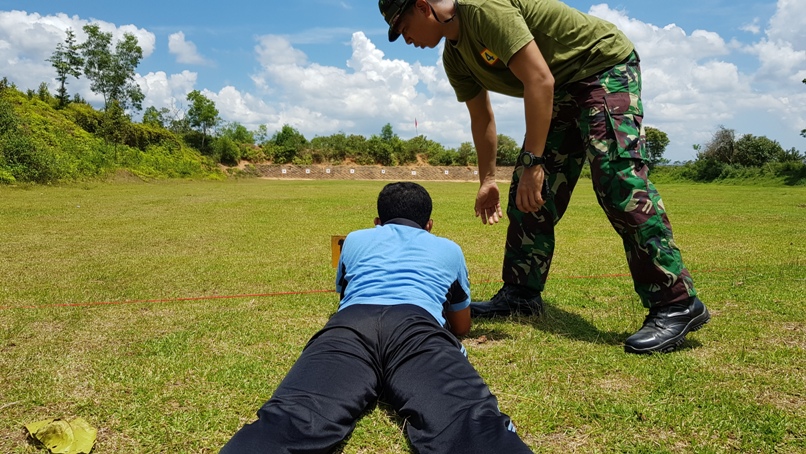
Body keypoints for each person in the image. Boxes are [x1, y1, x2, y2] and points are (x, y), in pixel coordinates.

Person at [378, 0, 710, 354]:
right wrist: (488, 179)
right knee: (526, 189)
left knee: (618, 179)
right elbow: (482, 119)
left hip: (601, 66)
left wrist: (536, 162)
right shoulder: (455, 59)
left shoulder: (483, 9)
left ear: (423, 6)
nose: (404, 37)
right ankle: (522, 293)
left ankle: (676, 302)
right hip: (561, 88)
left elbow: (539, 79)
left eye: (403, 25)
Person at [220, 182, 531, 453]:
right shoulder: (449, 249)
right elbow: (462, 325)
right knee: (468, 425)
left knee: (291, 419)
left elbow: (344, 294)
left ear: (377, 222)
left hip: (350, 325)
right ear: (430, 225)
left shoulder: (354, 239)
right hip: (417, 327)